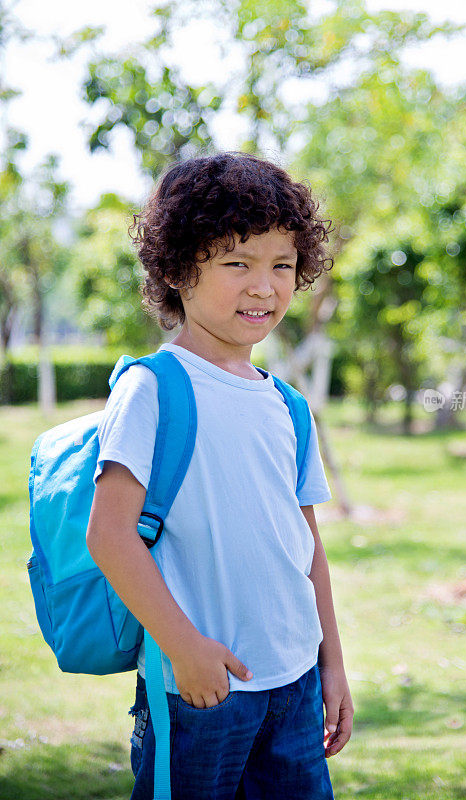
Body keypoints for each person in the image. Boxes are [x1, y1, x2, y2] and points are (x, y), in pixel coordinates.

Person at [86, 151, 354, 800]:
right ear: (178, 269)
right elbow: (110, 535)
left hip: (295, 684)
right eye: (237, 263)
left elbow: (306, 548)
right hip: (203, 688)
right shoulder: (155, 388)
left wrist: (333, 664)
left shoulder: (289, 405)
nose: (264, 287)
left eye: (282, 266)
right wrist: (183, 647)